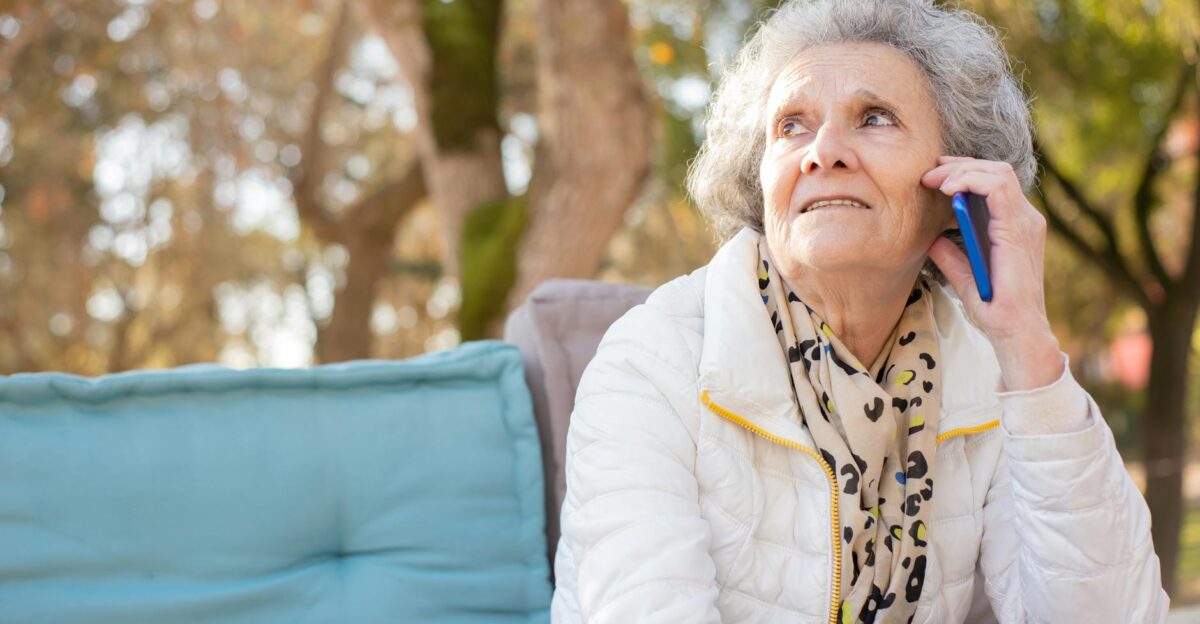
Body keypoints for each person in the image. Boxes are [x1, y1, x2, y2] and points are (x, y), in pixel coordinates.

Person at [549, 0, 1170, 622]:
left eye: (874, 118)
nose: (822, 151)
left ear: (956, 183)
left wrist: (1027, 343)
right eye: (791, 126)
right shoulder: (649, 365)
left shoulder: (988, 372)